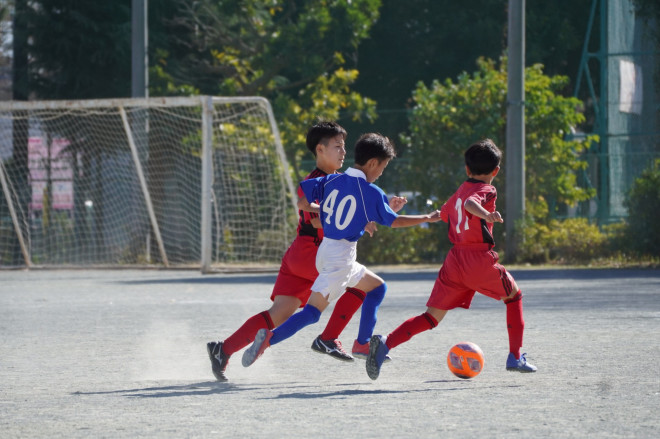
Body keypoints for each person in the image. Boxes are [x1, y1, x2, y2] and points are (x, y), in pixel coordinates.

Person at [241, 133, 443, 369]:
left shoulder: (332, 180)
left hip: (326, 250)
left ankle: (362, 344)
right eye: (383, 167)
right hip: (341, 259)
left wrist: (330, 211)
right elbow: (395, 221)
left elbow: (303, 204)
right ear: (372, 163)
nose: (381, 173)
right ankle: (269, 339)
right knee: (312, 313)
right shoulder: (371, 191)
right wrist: (427, 217)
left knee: (377, 287)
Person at [207, 121, 380, 381]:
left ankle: (223, 350)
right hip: (315, 253)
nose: (344, 152)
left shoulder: (324, 180)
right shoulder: (322, 182)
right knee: (370, 286)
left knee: (277, 314)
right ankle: (329, 338)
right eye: (337, 146)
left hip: (299, 254)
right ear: (320, 150)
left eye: (344, 147)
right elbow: (316, 220)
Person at [365, 138, 537, 380]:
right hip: (478, 258)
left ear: (467, 169)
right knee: (514, 297)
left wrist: (401, 217)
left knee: (431, 317)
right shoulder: (486, 189)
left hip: (454, 261)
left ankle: (385, 343)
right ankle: (515, 356)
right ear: (496, 171)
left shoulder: (459, 191)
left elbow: (440, 214)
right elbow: (471, 204)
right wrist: (487, 214)